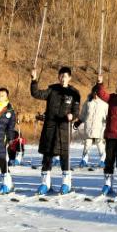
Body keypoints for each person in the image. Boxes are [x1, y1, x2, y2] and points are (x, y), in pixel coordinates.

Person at [31, 66, 81, 195]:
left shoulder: (74, 92)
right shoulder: (52, 89)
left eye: (65, 76)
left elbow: (76, 111)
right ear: (58, 77)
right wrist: (34, 80)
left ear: (69, 78)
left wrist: (73, 116)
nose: (63, 78)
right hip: (50, 127)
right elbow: (36, 94)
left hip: (64, 128)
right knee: (47, 155)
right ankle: (45, 183)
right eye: (61, 76)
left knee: (65, 155)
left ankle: (66, 183)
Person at [78, 87, 108, 169]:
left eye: (96, 92)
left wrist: (108, 123)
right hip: (89, 127)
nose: (95, 94)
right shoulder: (88, 102)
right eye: (94, 92)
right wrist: (79, 121)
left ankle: (103, 160)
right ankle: (84, 159)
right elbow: (83, 113)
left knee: (100, 144)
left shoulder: (104, 104)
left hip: (100, 128)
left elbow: (108, 115)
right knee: (87, 144)